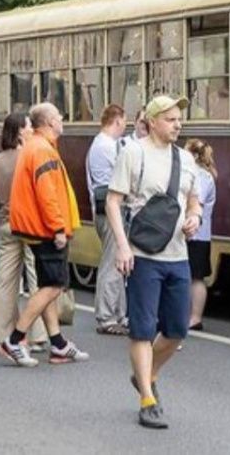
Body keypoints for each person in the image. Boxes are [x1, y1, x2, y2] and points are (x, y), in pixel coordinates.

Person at [105, 95, 202, 429]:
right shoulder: (133, 152)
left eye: (180, 119)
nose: (179, 124)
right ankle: (147, 397)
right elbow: (113, 201)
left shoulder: (187, 158)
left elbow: (194, 201)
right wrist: (122, 246)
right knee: (143, 329)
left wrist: (195, 218)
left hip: (178, 255)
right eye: (172, 119)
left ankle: (147, 375)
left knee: (176, 329)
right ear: (154, 120)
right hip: (143, 255)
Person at [0, 103, 89, 367]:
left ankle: (58, 344)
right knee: (53, 286)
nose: (63, 120)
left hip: (34, 227)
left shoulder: (34, 147)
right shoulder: (43, 151)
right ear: (49, 122)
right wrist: (59, 227)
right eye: (60, 117)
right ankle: (14, 339)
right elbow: (47, 194)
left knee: (47, 286)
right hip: (46, 228)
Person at [0, 113, 47, 346]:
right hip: (31, 224)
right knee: (36, 278)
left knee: (4, 280)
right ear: (22, 131)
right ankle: (38, 334)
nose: (33, 129)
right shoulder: (31, 157)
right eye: (30, 126)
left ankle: (2, 334)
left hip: (6, 222)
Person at [88, 104, 129, 335]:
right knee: (112, 262)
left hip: (104, 208)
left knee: (117, 261)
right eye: (124, 121)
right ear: (117, 120)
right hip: (111, 209)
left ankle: (117, 313)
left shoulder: (100, 143)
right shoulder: (106, 146)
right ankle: (107, 315)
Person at [184, 138, 216, 331]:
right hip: (196, 234)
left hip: (196, 234)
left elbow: (197, 204)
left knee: (196, 277)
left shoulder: (202, 177)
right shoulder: (201, 174)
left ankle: (195, 317)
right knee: (193, 275)